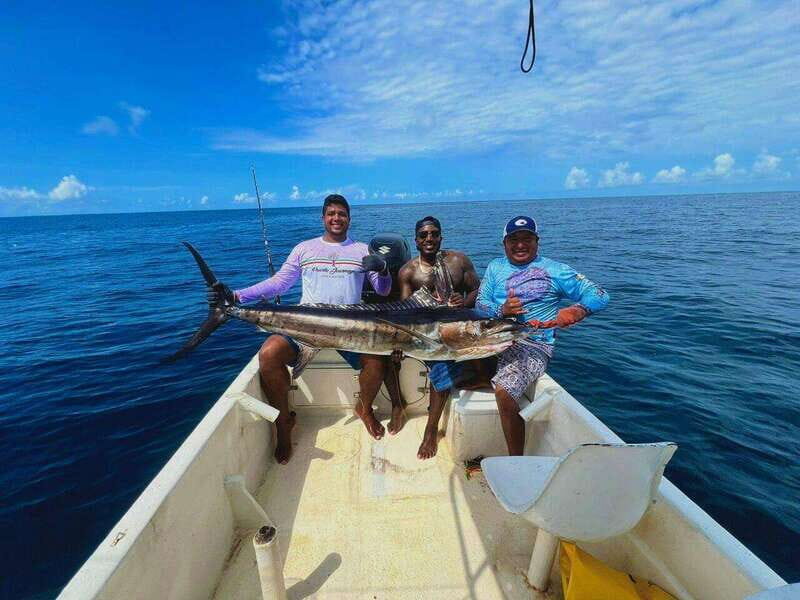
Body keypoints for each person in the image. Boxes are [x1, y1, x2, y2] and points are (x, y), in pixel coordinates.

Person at [214, 194, 392, 464]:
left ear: (349, 219)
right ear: (323, 218)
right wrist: (237, 295)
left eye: (342, 214)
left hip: (349, 330)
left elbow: (383, 290)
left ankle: (364, 409)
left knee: (377, 362)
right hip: (305, 327)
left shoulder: (362, 250)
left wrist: (384, 268)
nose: (336, 218)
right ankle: (283, 421)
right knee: (269, 354)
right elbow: (279, 284)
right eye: (331, 213)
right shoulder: (304, 249)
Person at [476, 215, 609, 456]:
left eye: (527, 239)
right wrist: (501, 310)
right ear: (504, 243)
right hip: (491, 338)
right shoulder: (495, 267)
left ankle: (517, 461)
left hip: (532, 344)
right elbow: (480, 303)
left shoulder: (556, 270)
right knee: (442, 366)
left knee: (504, 392)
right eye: (513, 239)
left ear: (537, 241)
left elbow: (599, 294)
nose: (520, 244)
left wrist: (578, 310)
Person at [397, 216, 482, 459]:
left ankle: (431, 428)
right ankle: (401, 409)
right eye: (423, 235)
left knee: (444, 362)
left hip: (455, 329)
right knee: (389, 356)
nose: (429, 238)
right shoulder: (408, 272)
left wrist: (462, 302)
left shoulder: (459, 261)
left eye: (434, 234)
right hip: (425, 334)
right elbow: (405, 314)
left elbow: (477, 289)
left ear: (441, 237)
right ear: (416, 240)